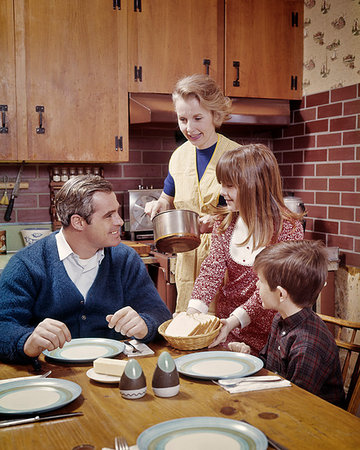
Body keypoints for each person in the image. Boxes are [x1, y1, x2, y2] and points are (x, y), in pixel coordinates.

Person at [0, 175, 171, 363]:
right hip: (52, 376)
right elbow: (4, 325)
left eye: (117, 212)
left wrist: (145, 324)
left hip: (114, 371)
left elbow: (161, 317)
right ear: (78, 222)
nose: (120, 221)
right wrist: (27, 341)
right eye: (109, 215)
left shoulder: (125, 259)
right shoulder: (26, 264)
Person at [187, 144, 304, 354]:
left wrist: (234, 320)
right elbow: (211, 271)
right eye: (222, 184)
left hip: (273, 336)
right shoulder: (224, 222)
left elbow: (271, 288)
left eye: (230, 185)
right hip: (230, 332)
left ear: (255, 186)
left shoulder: (288, 229)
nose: (222, 192)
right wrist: (192, 314)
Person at [144, 74, 240, 312]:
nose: (189, 128)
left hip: (226, 258)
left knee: (222, 326)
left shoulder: (237, 157)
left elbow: (254, 213)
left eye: (198, 118)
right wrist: (159, 205)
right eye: (182, 119)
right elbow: (167, 198)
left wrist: (218, 221)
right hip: (188, 255)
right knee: (190, 324)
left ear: (215, 116)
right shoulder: (178, 156)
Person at [229, 240, 345, 407]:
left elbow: (295, 403)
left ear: (282, 294)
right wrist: (248, 357)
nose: (256, 285)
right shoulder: (280, 319)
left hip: (315, 423)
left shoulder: (307, 345)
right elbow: (267, 366)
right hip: (281, 402)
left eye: (261, 281)